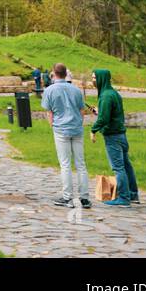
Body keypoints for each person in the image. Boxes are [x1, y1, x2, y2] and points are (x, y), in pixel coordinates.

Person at [41, 62, 91, 209]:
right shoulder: (76, 90)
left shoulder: (50, 90)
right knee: (81, 164)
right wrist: (78, 124)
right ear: (66, 73)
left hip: (61, 129)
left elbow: (49, 112)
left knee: (65, 164)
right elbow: (82, 111)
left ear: (54, 73)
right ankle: (84, 198)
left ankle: (67, 197)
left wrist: (52, 125)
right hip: (76, 128)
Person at [91, 68, 139, 206]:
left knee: (118, 168)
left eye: (94, 78)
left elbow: (104, 119)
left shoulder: (105, 95)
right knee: (126, 166)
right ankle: (133, 194)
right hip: (121, 135)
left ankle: (124, 198)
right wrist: (99, 112)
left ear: (102, 79)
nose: (93, 81)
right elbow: (110, 114)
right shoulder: (113, 93)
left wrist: (93, 130)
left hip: (113, 137)